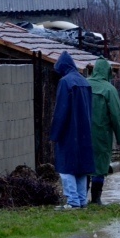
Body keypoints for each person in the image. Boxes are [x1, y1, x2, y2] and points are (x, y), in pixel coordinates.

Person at [50, 51, 95, 210]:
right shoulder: (84, 82)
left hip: (69, 132)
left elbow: (61, 110)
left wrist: (55, 133)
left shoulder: (65, 82)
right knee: (81, 168)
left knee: (66, 167)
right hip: (85, 132)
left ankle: (72, 201)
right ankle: (82, 200)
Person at [87, 56, 120, 204]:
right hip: (102, 134)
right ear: (107, 72)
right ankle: (96, 199)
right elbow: (116, 115)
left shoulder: (84, 84)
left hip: (82, 133)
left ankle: (80, 197)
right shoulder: (109, 89)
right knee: (101, 165)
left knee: (85, 163)